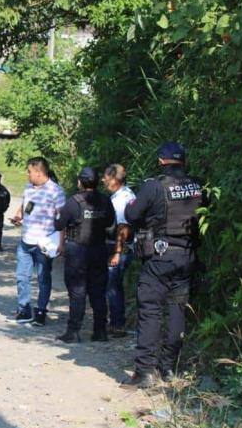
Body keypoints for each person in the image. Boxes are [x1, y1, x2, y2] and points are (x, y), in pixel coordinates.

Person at [123, 141, 206, 388]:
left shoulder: (154, 186)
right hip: (187, 255)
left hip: (159, 256)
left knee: (150, 309)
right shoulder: (198, 186)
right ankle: (168, 367)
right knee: (177, 308)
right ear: (183, 161)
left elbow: (132, 215)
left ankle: (145, 372)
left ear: (161, 161)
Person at [54, 167, 115, 343]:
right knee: (98, 291)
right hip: (98, 249)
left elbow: (59, 225)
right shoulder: (105, 201)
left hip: (77, 250)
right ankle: (100, 331)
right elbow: (110, 222)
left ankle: (73, 332)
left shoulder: (74, 202)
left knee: (77, 291)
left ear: (80, 182)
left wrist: (55, 216)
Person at [10, 157, 66, 325]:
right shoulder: (28, 187)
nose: (27, 174)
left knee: (43, 278)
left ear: (39, 173)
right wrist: (19, 215)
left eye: (29, 171)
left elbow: (62, 219)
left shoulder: (56, 191)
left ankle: (41, 310)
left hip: (43, 244)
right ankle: (24, 309)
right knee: (22, 277)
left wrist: (61, 243)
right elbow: (26, 205)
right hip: (25, 241)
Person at [102, 164, 136, 337]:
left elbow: (123, 227)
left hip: (121, 249)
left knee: (112, 285)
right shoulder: (123, 195)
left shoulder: (122, 199)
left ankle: (117, 325)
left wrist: (117, 252)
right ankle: (116, 322)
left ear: (114, 179)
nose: (103, 180)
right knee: (114, 285)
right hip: (120, 247)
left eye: (106, 177)